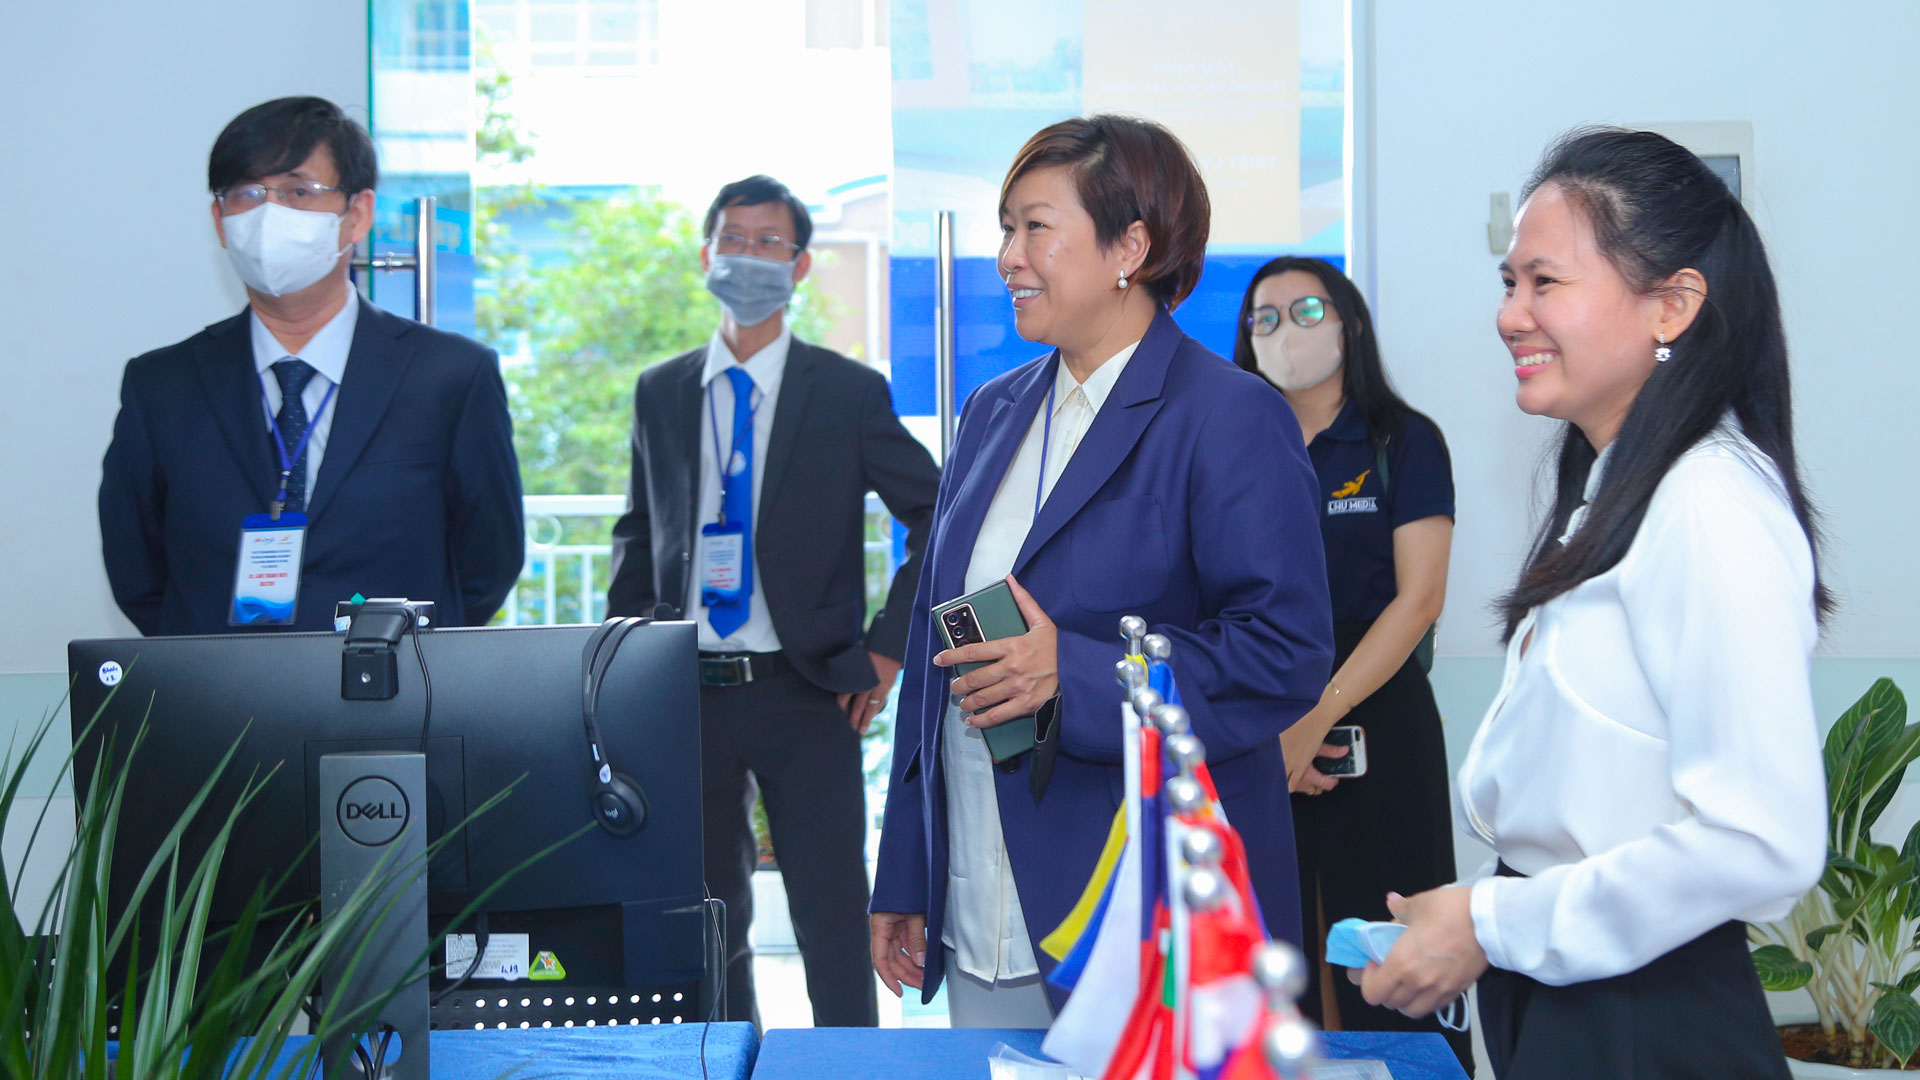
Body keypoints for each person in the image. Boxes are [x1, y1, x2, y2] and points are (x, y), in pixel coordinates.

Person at [1356, 128, 1829, 1078]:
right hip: (1575, 994)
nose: (1511, 315)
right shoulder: (1622, 486)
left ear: (1673, 303)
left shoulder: (1708, 500)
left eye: (1546, 282)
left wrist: (1493, 921)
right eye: (1508, 282)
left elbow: (1764, 842)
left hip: (1647, 1016)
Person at [868, 115, 1334, 1028]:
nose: (1009, 257)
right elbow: (942, 641)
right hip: (979, 896)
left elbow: (1283, 652)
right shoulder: (993, 411)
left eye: (1036, 227)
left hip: (1144, 905)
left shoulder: (1227, 415)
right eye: (1006, 228)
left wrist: (1075, 673)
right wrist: (908, 868)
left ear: (1132, 245)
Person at [606, 174, 940, 1028]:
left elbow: (937, 515)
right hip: (684, 690)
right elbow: (641, 534)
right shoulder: (662, 390)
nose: (749, 257)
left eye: (770, 243)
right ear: (706, 253)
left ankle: (844, 1067)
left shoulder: (847, 391)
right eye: (735, 239)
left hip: (808, 689)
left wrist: (888, 646)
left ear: (798, 267)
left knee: (831, 913)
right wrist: (620, 665)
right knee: (710, 917)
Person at [99, 96, 524, 635]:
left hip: (394, 699)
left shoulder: (451, 377)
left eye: (298, 191)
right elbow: (137, 570)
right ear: (220, 221)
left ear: (357, 215)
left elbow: (487, 563)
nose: (268, 214)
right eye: (247, 194)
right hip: (219, 704)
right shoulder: (162, 386)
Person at [1231, 257, 1468, 1069]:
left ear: (1349, 325)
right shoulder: (1229, 447)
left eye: (1304, 311)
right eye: (1263, 319)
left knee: (1389, 954)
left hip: (1379, 719)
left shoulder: (1402, 439)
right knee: (1278, 959)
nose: (1283, 332)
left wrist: (1318, 715)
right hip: (1259, 731)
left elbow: (1419, 600)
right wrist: (1279, 732)